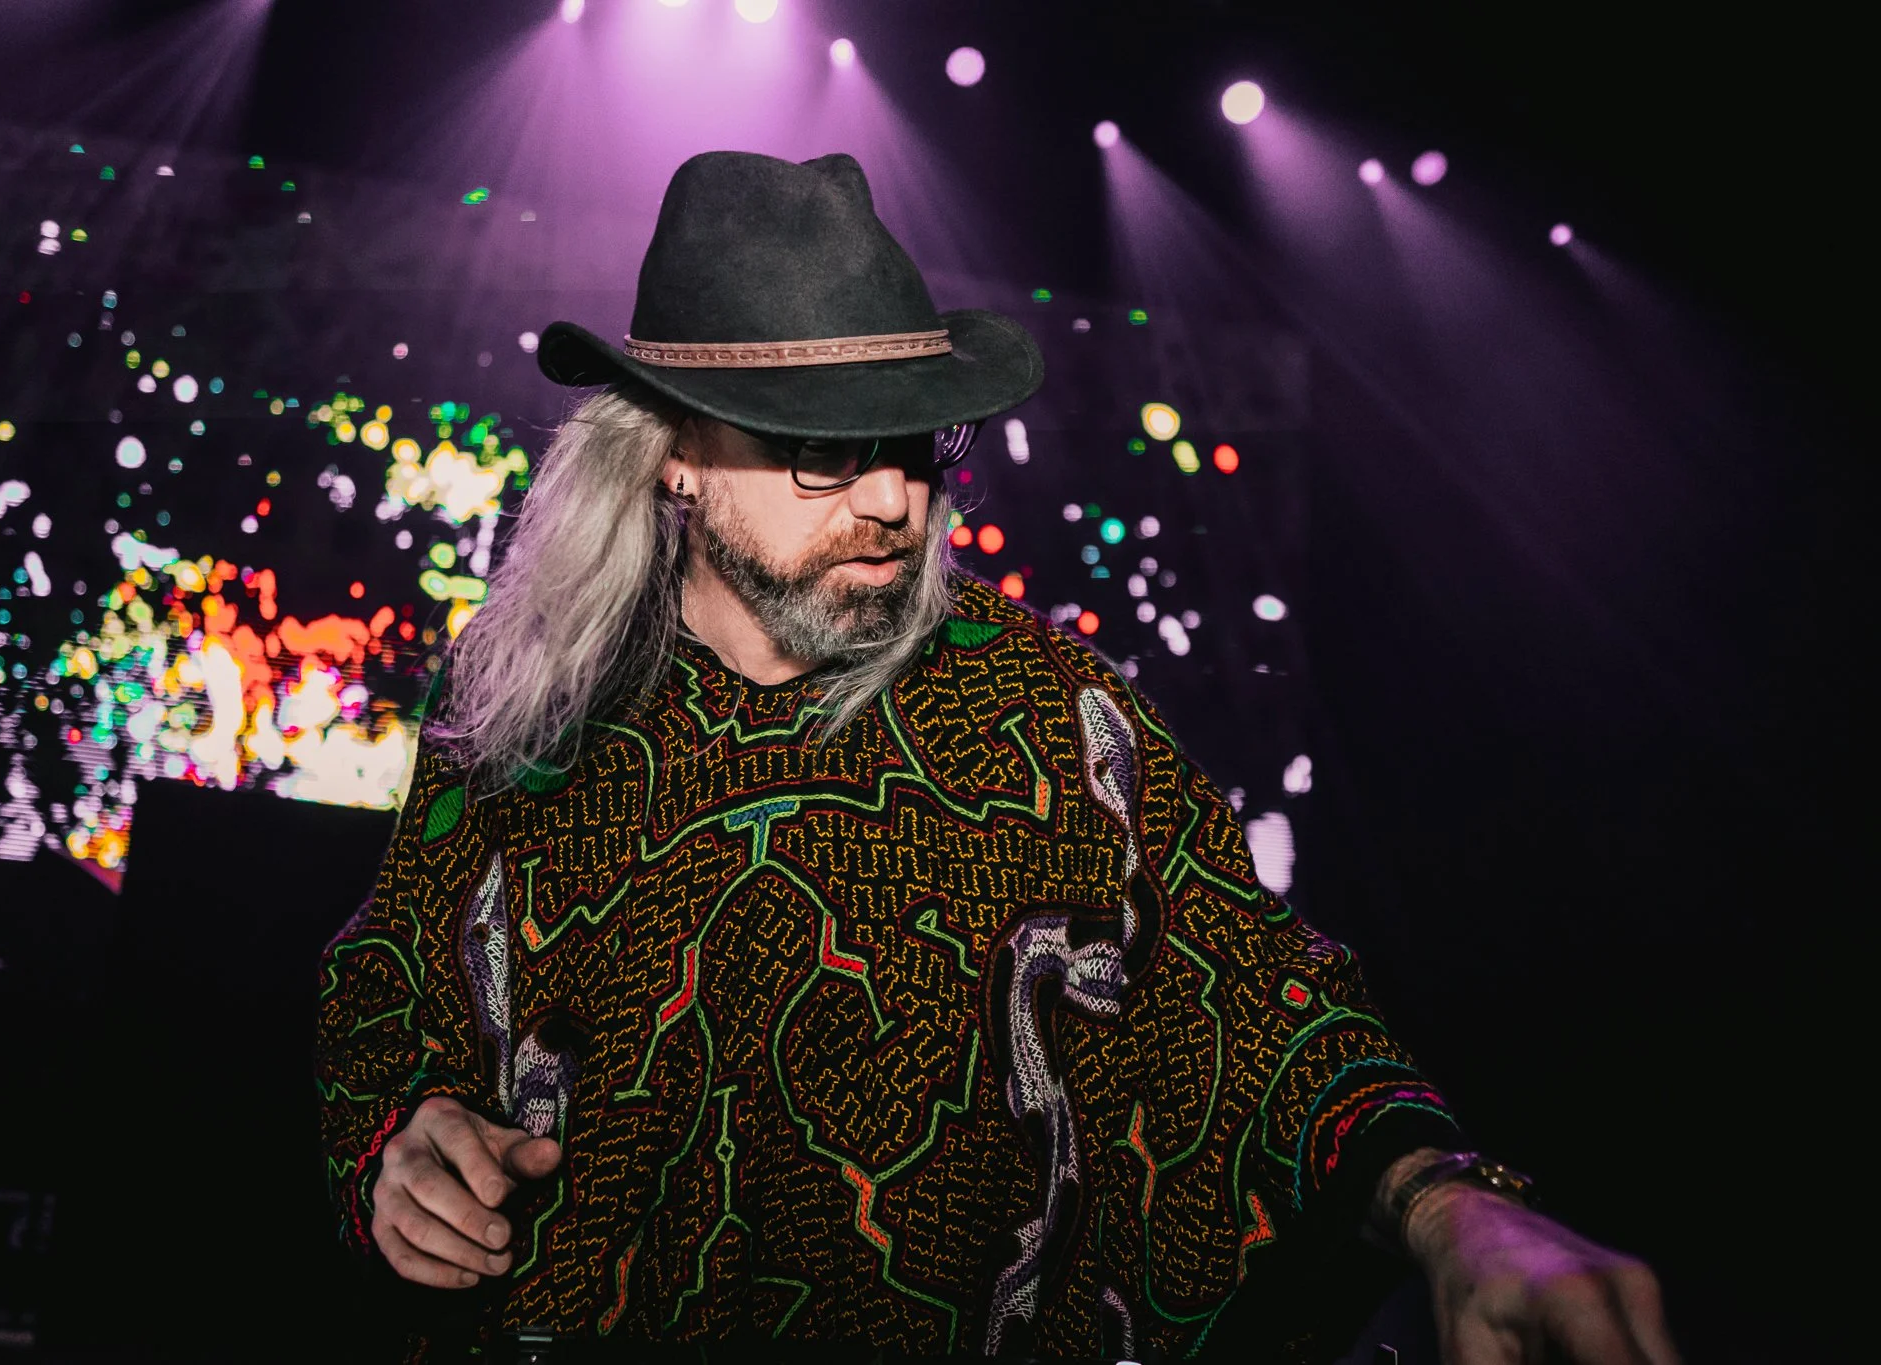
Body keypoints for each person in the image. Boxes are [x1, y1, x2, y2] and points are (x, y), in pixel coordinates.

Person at [315, 151, 1678, 1364]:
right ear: (674, 457)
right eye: (822, 453)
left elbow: (1253, 1001)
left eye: (917, 440)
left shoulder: (1046, 717)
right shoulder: (523, 706)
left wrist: (1453, 1210)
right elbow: (391, 974)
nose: (898, 498)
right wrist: (399, 1145)